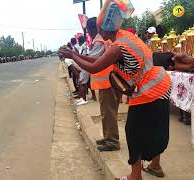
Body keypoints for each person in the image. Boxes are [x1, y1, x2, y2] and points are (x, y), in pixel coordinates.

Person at [59, 0, 171, 179]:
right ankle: (155, 166)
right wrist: (74, 55)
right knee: (156, 128)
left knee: (134, 133)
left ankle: (135, 176)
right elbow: (94, 60)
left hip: (148, 91)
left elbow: (94, 67)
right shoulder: (124, 36)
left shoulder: (118, 47)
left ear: (104, 29)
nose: (99, 32)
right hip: (161, 84)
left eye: (99, 29)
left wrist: (72, 55)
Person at [87, 17, 121, 151]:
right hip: (109, 81)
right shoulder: (105, 39)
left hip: (107, 82)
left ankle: (112, 141)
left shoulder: (99, 41)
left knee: (109, 112)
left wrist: (75, 57)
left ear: (91, 29)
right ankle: (108, 137)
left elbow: (92, 60)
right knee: (107, 112)